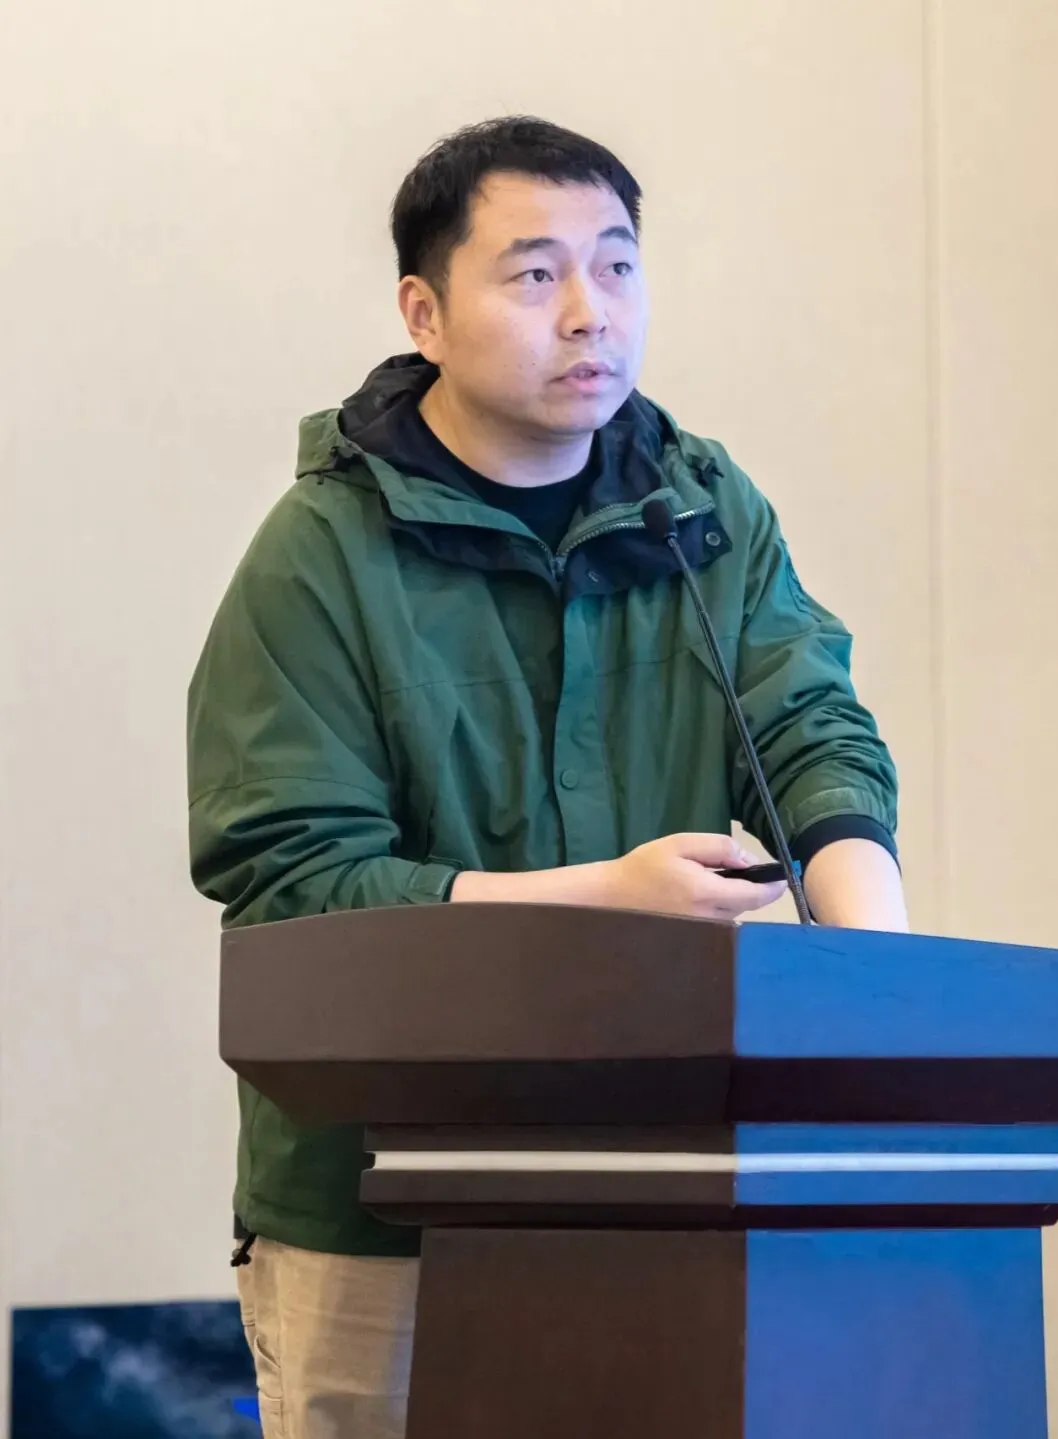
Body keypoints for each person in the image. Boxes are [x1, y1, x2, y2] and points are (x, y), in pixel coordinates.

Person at [187, 115, 908, 1439]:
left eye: (618, 266)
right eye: (535, 274)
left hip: (659, 1171)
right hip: (379, 1206)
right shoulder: (320, 552)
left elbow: (811, 728)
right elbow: (294, 882)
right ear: (425, 312)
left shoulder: (701, 509)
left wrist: (885, 981)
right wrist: (603, 898)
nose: (591, 312)